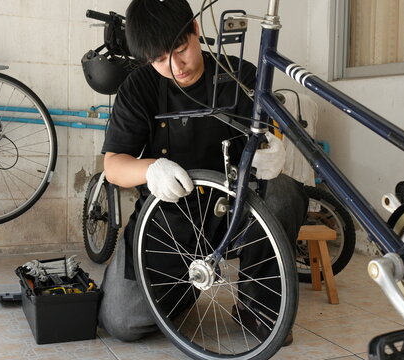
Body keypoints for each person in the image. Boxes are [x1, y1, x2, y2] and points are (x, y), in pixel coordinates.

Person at [98, 0, 308, 346]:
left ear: (195, 31)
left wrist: (274, 151)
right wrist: (151, 169)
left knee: (286, 192)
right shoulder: (140, 87)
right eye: (160, 59)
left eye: (181, 50)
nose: (175, 66)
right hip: (169, 217)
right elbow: (113, 166)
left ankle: (257, 306)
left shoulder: (240, 76)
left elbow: (270, 135)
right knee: (121, 322)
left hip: (236, 208)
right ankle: (183, 287)